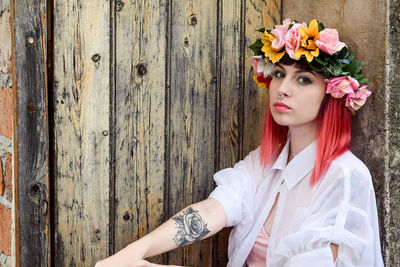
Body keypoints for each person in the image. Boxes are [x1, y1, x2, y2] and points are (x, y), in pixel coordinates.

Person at [95, 18, 384, 267]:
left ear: (332, 95)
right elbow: (211, 211)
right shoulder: (267, 162)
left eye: (304, 79)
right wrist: (129, 254)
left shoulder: (346, 178)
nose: (282, 89)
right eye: (280, 74)